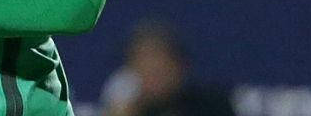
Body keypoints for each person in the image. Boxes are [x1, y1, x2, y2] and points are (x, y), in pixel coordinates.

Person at [100, 21, 235, 116]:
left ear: (179, 66)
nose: (153, 75)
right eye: (144, 67)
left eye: (159, 68)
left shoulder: (211, 106)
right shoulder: (129, 110)